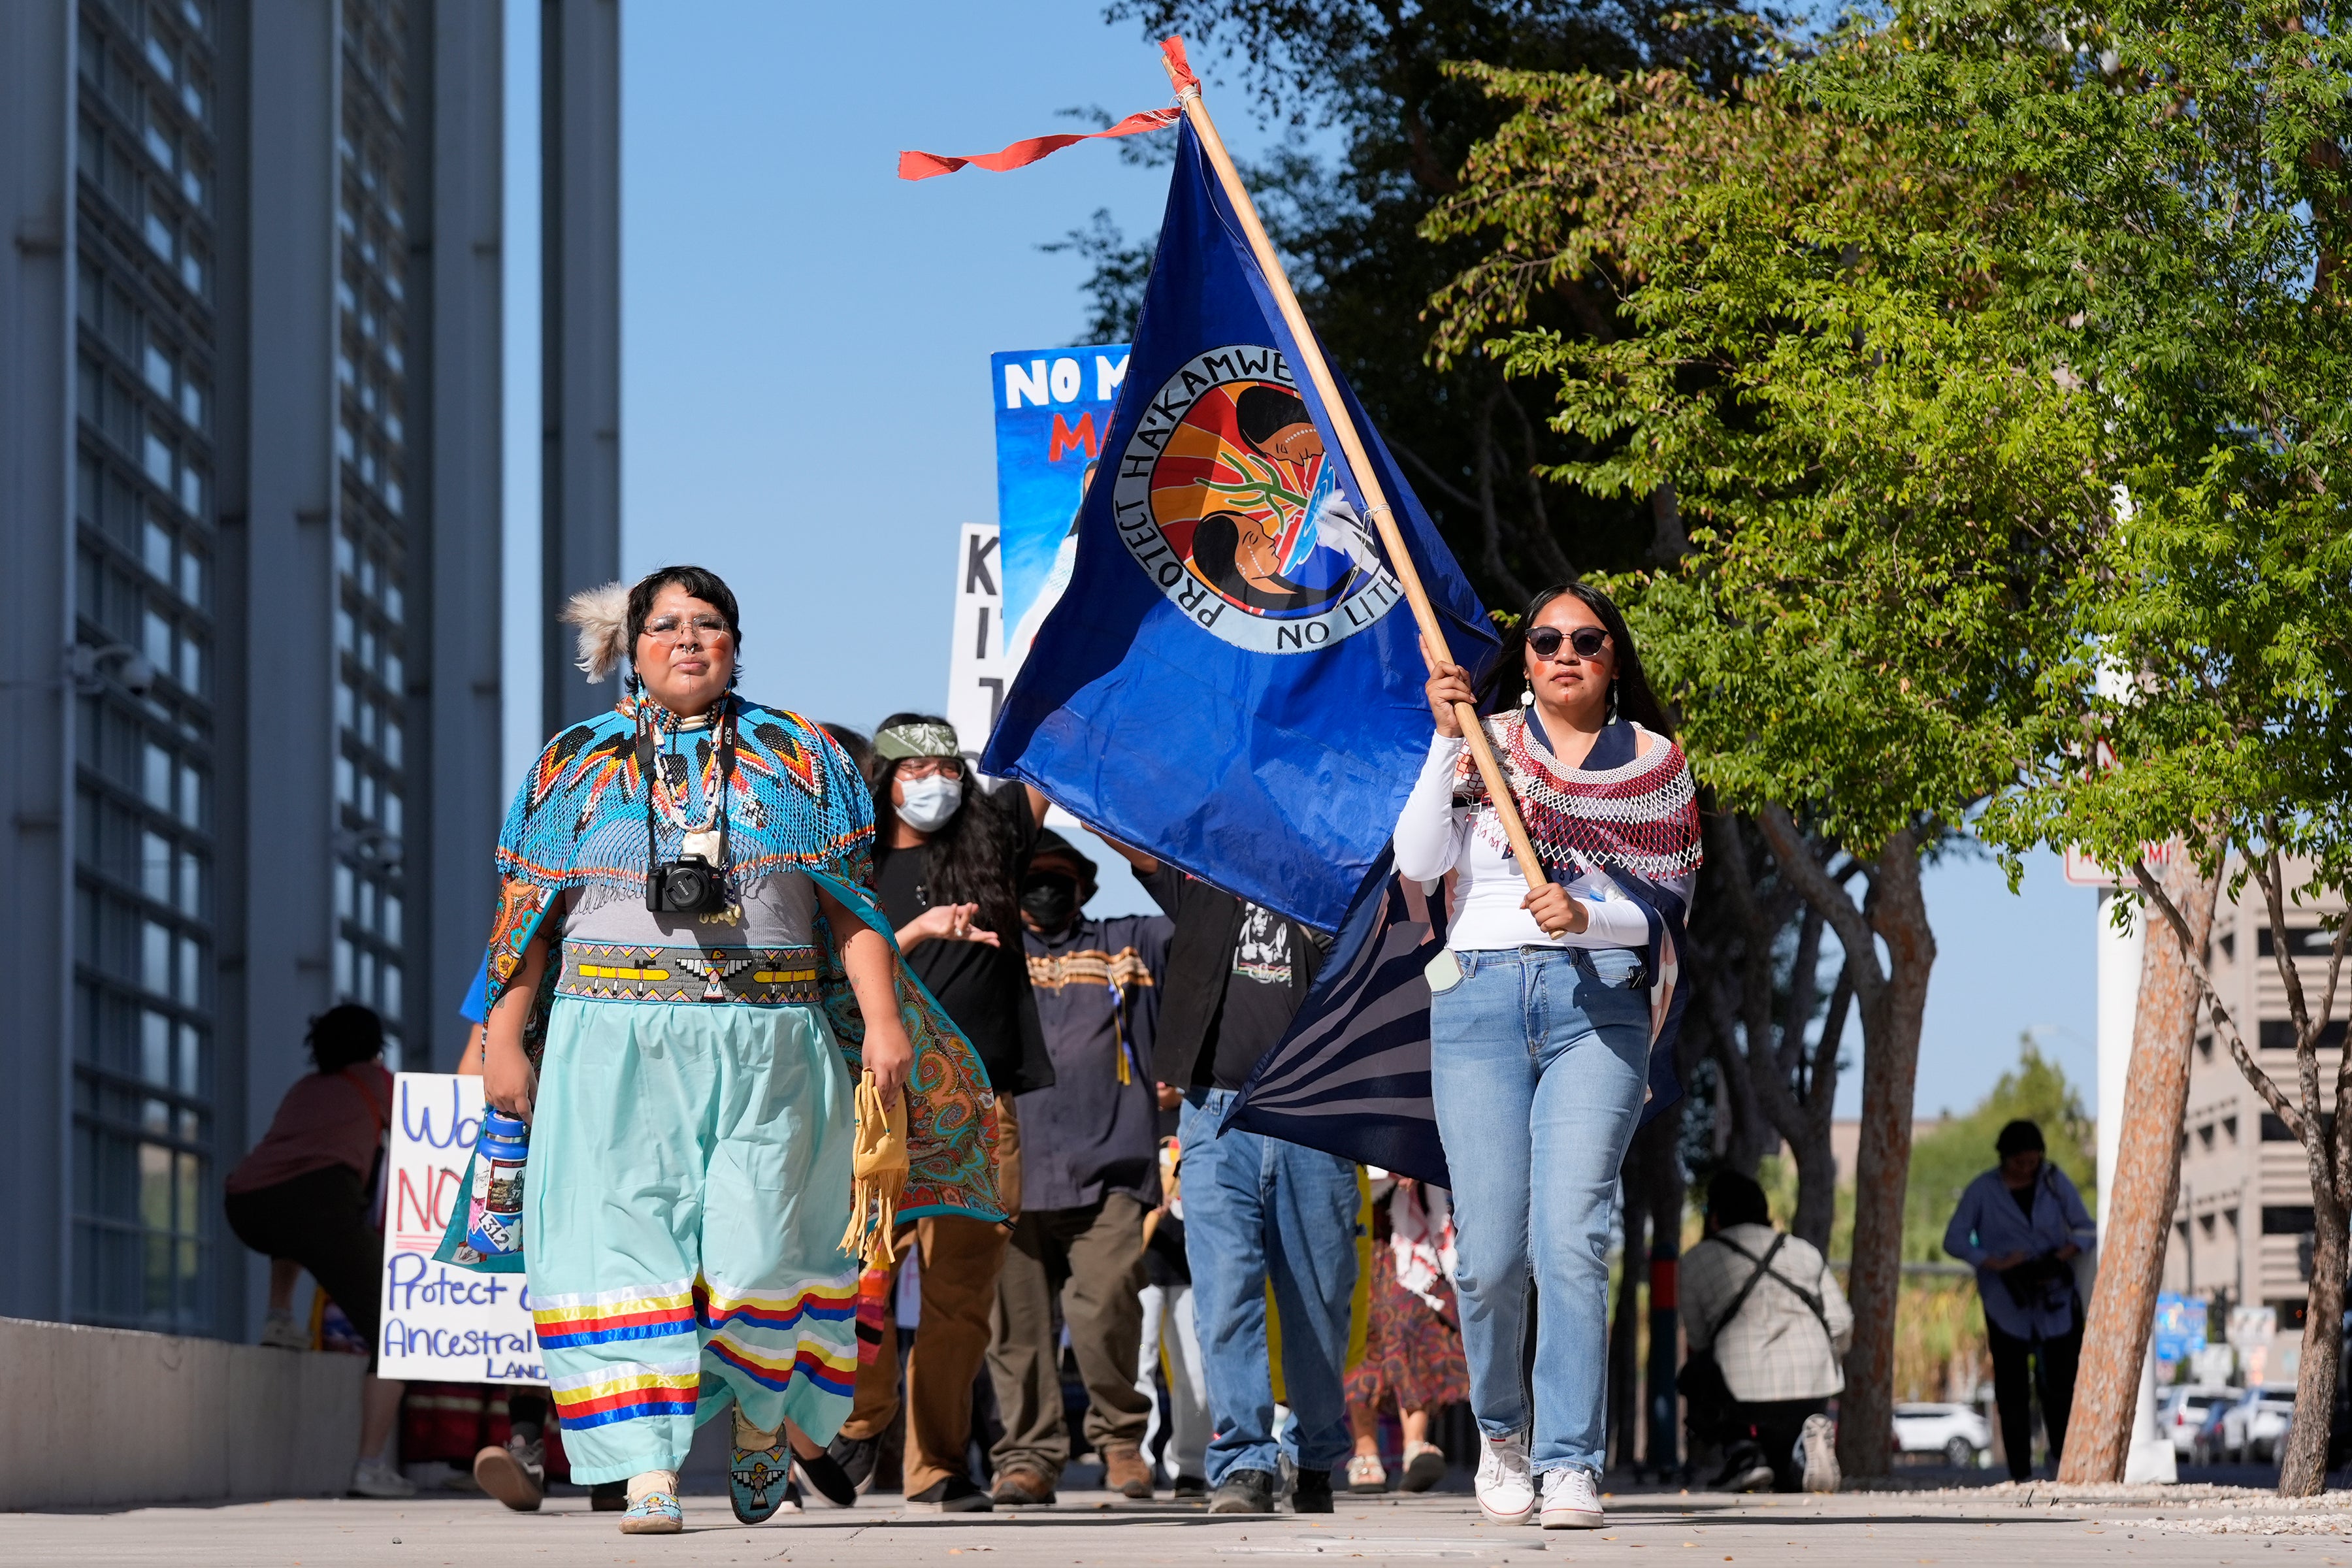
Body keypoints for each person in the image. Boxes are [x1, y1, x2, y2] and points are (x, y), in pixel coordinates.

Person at [469, 567, 1002, 1534]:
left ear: (735, 642)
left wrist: (883, 1021)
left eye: (707, 623)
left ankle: (765, 1417)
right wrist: (505, 1036)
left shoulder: (801, 756)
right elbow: (525, 922)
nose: (686, 639)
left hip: (771, 1045)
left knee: (765, 1251)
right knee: (624, 1252)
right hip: (608, 1046)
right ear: (629, 648)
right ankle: (647, 1473)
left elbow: (854, 911)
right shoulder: (572, 762)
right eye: (664, 624)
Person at [1400, 581, 1701, 1529]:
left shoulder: (1658, 765)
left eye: (1587, 640)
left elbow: (1667, 903)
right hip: (1479, 1003)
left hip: (1597, 1012)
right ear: (1524, 659)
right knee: (1489, 1257)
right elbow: (1416, 863)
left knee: (1572, 1238)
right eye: (1545, 640)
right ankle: (1502, 1436)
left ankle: (1572, 1461)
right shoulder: (1483, 743)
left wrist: (1590, 914)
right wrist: (1449, 740)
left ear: (1615, 661)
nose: (1564, 652)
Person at [827, 715, 1056, 1512]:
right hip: (883, 1108)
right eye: (916, 767)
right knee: (864, 1279)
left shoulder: (991, 846)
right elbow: (838, 967)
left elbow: (1047, 760)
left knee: (960, 1298)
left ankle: (937, 1468)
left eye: (948, 766)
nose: (935, 780)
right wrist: (920, 928)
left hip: (980, 1107)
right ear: (883, 779)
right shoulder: (851, 863)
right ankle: (860, 1427)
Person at [1096, 836, 1354, 1516]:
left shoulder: (1342, 880)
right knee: (1225, 1289)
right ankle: (1243, 1461)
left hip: (1314, 1118)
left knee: (1319, 1301)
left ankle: (1315, 1452)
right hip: (1214, 1114)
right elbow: (1131, 835)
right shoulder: (1207, 873)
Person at [985, 832, 1171, 1506]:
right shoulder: (992, 952)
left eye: (1060, 879)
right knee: (1017, 1331)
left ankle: (1121, 1443)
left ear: (1084, 889)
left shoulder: (1130, 944)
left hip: (1112, 1168)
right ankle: (1028, 1459)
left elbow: (1189, 908)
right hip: (1009, 1175)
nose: (1045, 890)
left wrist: (1118, 829)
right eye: (1032, 879)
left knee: (1106, 1309)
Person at [224, 1003, 410, 1499]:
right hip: (320, 1202)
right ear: (374, 1048)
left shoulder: (305, 1088)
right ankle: (370, 1466)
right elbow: (423, 1124)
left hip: (245, 1202)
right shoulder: (376, 1082)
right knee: (396, 1333)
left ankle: (278, 1318)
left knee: (292, 1224)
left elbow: (287, 1169)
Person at [1678, 1172, 1852, 1494]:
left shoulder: (1696, 1259)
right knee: (1787, 1468)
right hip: (1812, 1383)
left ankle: (1745, 1455)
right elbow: (1841, 1323)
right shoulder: (1802, 1250)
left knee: (1696, 1373)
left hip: (1741, 1392)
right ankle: (1804, 1448)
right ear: (1764, 1212)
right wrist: (1830, 1357)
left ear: (1715, 1217)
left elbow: (1699, 1339)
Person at [1944, 1119, 2096, 1480]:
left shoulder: (2055, 1182)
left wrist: (2060, 1256)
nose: (2028, 1170)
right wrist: (1994, 1261)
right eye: (2019, 1164)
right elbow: (1954, 1239)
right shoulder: (1982, 1190)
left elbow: (2086, 1228)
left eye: (2033, 1162)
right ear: (2004, 1158)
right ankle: (2019, 1473)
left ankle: (2062, 1463)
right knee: (2012, 1391)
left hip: (2057, 1302)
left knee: (2061, 1387)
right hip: (2006, 1304)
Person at [1343, 1175, 1466, 1495]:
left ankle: (1415, 1447)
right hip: (1353, 1223)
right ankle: (1365, 1452)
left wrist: (1405, 1156)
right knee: (1359, 1329)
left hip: (1409, 1231)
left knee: (1411, 1321)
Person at [1137, 1131, 1211, 1497]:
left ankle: (1191, 1466)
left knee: (1195, 1372)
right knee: (1139, 1365)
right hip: (1141, 1263)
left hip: (1190, 1266)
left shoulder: (1198, 1113)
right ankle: (1139, 1463)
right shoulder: (1136, 1110)